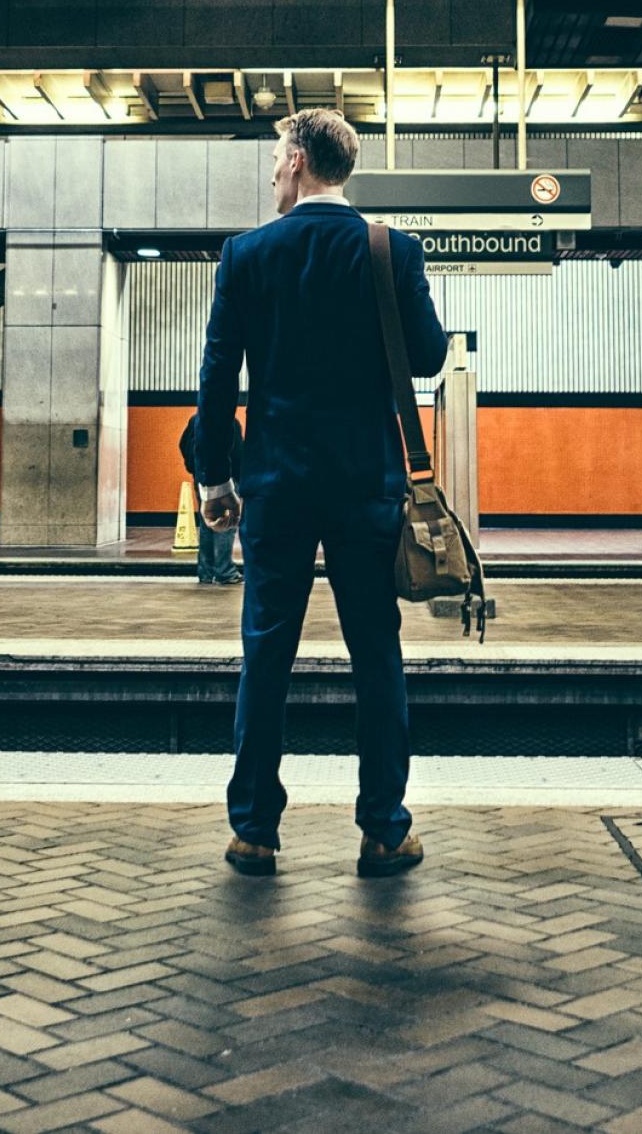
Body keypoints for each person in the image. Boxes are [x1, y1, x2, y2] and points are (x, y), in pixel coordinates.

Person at [196, 108, 447, 880]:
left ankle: (255, 832)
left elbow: (216, 381)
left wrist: (214, 476)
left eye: (277, 157)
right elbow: (431, 357)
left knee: (265, 654)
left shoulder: (246, 256)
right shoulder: (389, 250)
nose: (273, 171)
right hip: (367, 487)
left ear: (300, 159)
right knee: (376, 655)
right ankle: (383, 830)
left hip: (275, 487)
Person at [178, 411, 244, 585]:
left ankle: (205, 572)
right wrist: (238, 477)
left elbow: (183, 445)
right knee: (226, 524)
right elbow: (238, 452)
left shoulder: (194, 421)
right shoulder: (231, 422)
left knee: (206, 523)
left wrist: (193, 468)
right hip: (227, 480)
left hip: (202, 478)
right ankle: (225, 571)